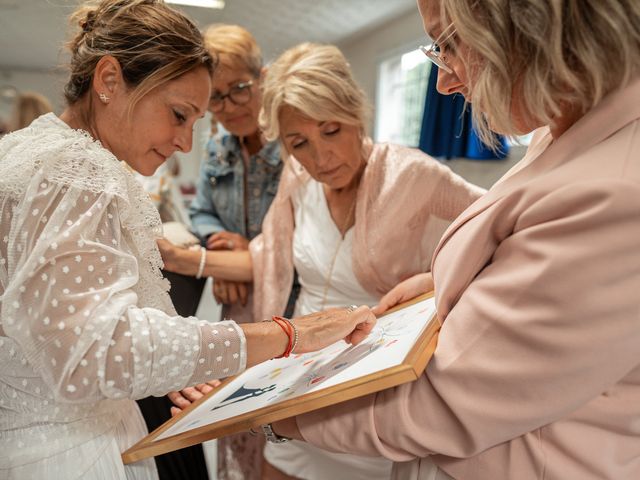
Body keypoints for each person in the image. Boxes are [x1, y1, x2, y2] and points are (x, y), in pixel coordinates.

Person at [261, 1, 640, 479]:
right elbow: (533, 274)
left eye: (450, 44)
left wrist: (271, 413)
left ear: (527, 25)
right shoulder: (560, 137)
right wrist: (448, 283)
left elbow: (446, 405)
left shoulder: (614, 194)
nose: (443, 82)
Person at [0, 1, 376, 479]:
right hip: (71, 451)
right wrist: (289, 334)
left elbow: (53, 322)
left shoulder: (27, 151)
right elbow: (90, 354)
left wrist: (169, 365)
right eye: (179, 115)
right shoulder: (78, 173)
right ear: (110, 81)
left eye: (196, 123)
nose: (184, 143)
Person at [161, 42, 484, 480]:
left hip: (372, 396)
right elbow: (266, 259)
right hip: (295, 383)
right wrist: (182, 260)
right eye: (300, 144)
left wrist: (435, 277)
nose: (320, 158)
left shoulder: (413, 175)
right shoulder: (297, 180)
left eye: (331, 131)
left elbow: (506, 234)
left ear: (355, 113)